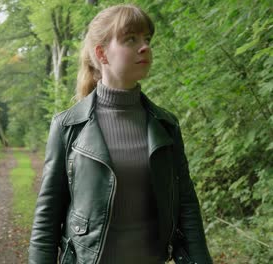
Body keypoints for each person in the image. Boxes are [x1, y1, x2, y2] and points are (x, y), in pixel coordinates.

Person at [28, 4, 212, 264]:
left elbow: (187, 205)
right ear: (102, 54)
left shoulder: (166, 125)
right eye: (131, 39)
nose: (145, 46)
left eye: (147, 39)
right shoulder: (68, 126)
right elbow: (46, 220)